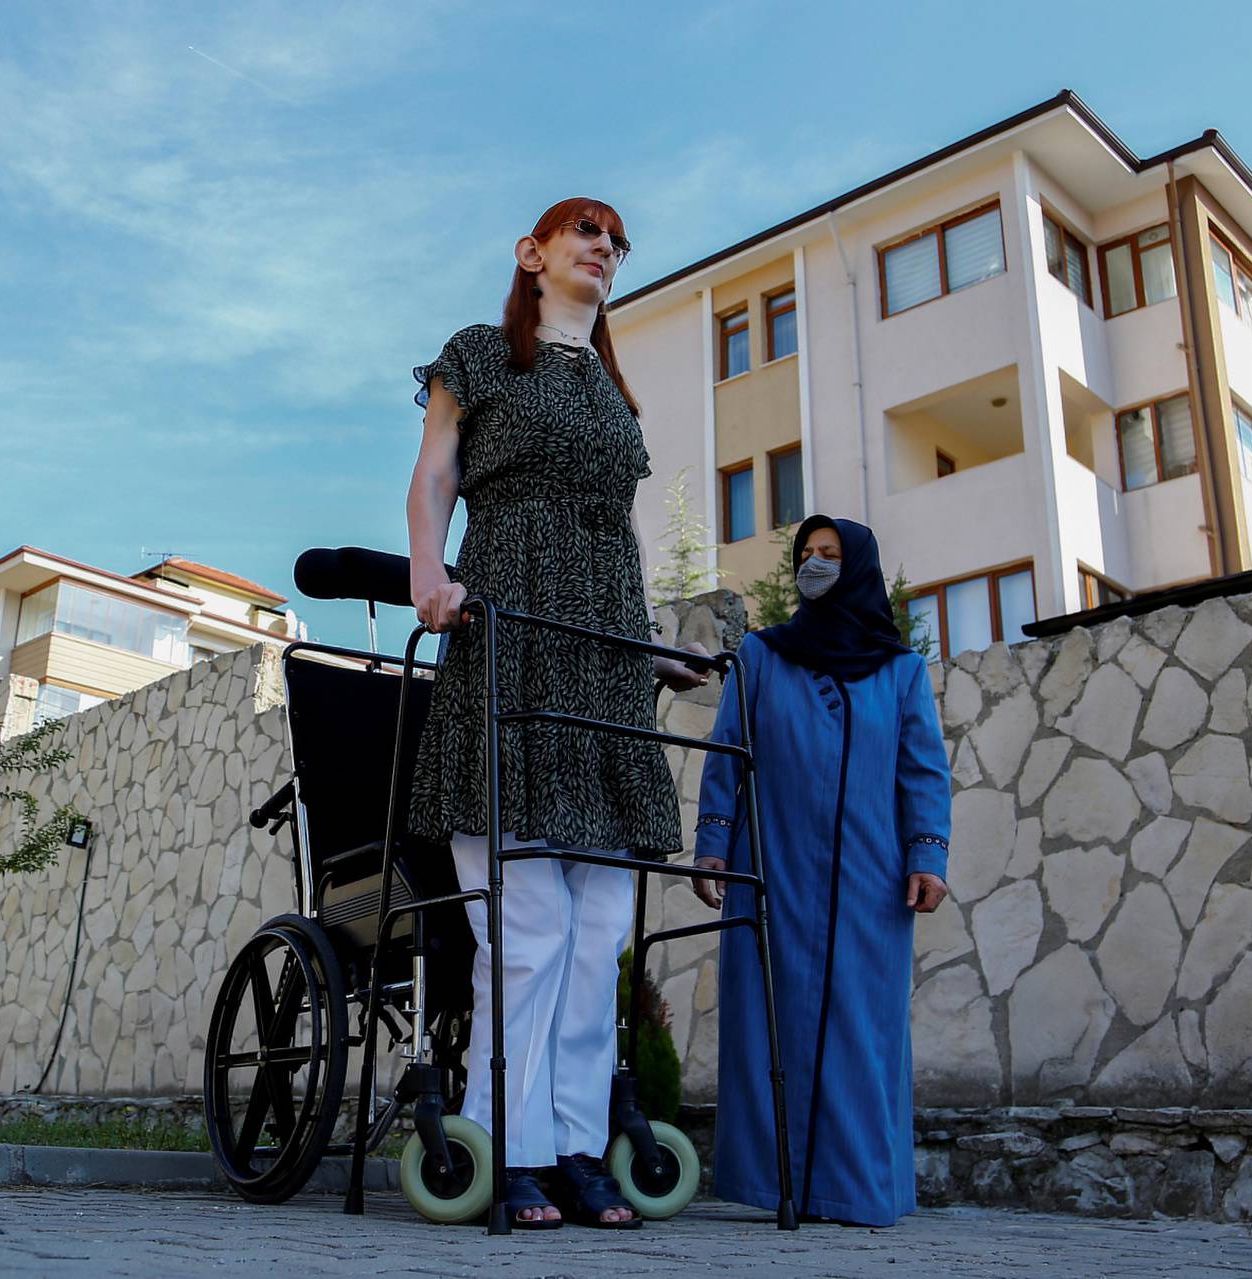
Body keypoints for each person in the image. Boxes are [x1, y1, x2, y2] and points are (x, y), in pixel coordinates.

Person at [405, 197, 708, 1228]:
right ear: (533, 252)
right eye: (588, 232)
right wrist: (426, 576)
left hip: (607, 651)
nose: (607, 249)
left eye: (619, 241)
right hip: (512, 629)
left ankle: (578, 1145)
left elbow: (617, 528)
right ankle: (511, 1145)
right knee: (528, 928)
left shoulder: (611, 391)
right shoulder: (483, 353)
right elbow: (438, 472)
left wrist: (654, 643)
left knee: (597, 936)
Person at [691, 514, 951, 1227]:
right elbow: (728, 754)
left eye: (831, 555)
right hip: (772, 870)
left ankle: (856, 1188)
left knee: (861, 1031)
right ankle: (774, 1184)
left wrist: (928, 852)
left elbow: (921, 768)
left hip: (870, 879)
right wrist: (714, 844)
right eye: (806, 553)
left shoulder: (901, 670)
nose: (815, 564)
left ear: (859, 565)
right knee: (768, 1026)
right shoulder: (762, 656)